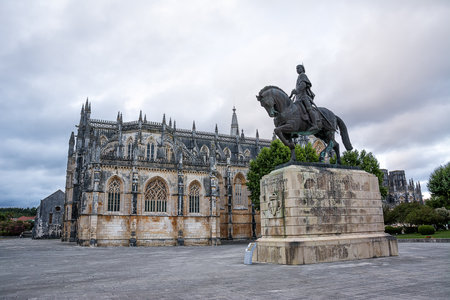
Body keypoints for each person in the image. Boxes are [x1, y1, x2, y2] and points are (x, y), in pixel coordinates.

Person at [290, 64, 318, 131]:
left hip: (304, 97)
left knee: (309, 109)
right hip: (299, 98)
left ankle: (315, 125)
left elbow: (303, 85)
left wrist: (296, 90)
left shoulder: (302, 75)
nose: (297, 69)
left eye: (298, 68)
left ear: (302, 69)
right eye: (296, 68)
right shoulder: (299, 76)